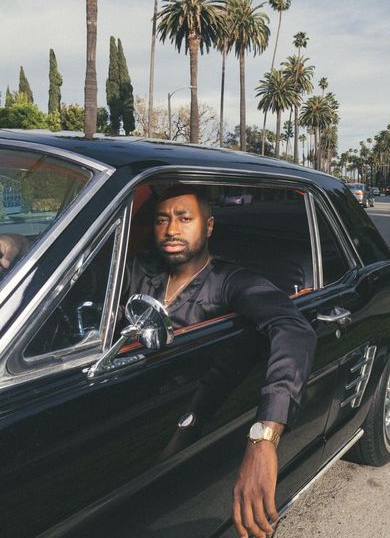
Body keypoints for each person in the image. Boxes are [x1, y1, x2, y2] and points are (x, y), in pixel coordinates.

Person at [0, 185, 317, 538]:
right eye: (162, 219)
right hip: (121, 397)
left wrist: (264, 437)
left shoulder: (231, 281)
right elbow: (83, 279)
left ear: (208, 226)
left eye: (185, 218)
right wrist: (24, 248)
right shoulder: (140, 269)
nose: (171, 229)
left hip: (187, 413)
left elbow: (292, 328)